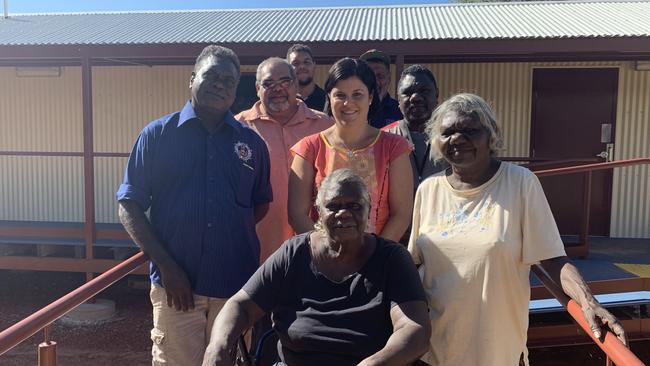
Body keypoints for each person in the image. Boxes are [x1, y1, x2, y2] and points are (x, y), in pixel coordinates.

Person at [408, 93, 627, 366]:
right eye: (448, 131)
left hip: (499, 354)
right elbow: (415, 265)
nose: (457, 138)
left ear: (492, 136)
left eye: (469, 130)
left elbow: (553, 259)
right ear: (436, 141)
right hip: (436, 353)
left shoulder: (520, 184)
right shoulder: (428, 190)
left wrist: (588, 301)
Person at [116, 45, 272, 366]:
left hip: (235, 291)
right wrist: (168, 267)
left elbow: (258, 206)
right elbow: (129, 206)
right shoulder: (158, 136)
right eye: (211, 76)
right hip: (177, 291)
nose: (220, 85)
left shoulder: (252, 144)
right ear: (191, 79)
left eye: (228, 81)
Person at [202, 169, 430, 366]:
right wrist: (217, 347)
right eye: (333, 206)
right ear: (318, 212)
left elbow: (414, 330)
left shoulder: (392, 259)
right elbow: (240, 305)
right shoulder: (294, 253)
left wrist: (373, 363)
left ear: (368, 210)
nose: (344, 213)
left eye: (354, 205)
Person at [288, 57, 413, 242]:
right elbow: (297, 214)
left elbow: (401, 214)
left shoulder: (394, 148)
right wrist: (329, 253)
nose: (348, 103)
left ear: (370, 97)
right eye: (340, 95)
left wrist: (374, 256)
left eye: (357, 94)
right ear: (329, 96)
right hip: (324, 261)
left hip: (377, 260)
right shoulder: (310, 148)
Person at [236, 57, 333, 263]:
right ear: (257, 88)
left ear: (296, 84)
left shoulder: (324, 126)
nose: (277, 89)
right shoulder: (238, 128)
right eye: (268, 83)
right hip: (256, 250)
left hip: (314, 247)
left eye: (285, 82)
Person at [383, 64, 446, 193]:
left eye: (424, 91)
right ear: (398, 99)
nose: (415, 98)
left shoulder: (450, 138)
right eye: (407, 93)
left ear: (437, 94)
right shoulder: (383, 139)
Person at [359, 49, 403, 128]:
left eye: (380, 76)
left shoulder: (400, 111)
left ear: (389, 78)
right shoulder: (354, 110)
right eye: (370, 76)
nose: (375, 82)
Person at [287, 44, 327, 111]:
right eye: (296, 63)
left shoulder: (327, 100)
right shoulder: (284, 100)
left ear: (314, 65)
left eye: (306, 62)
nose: (302, 66)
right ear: (288, 68)